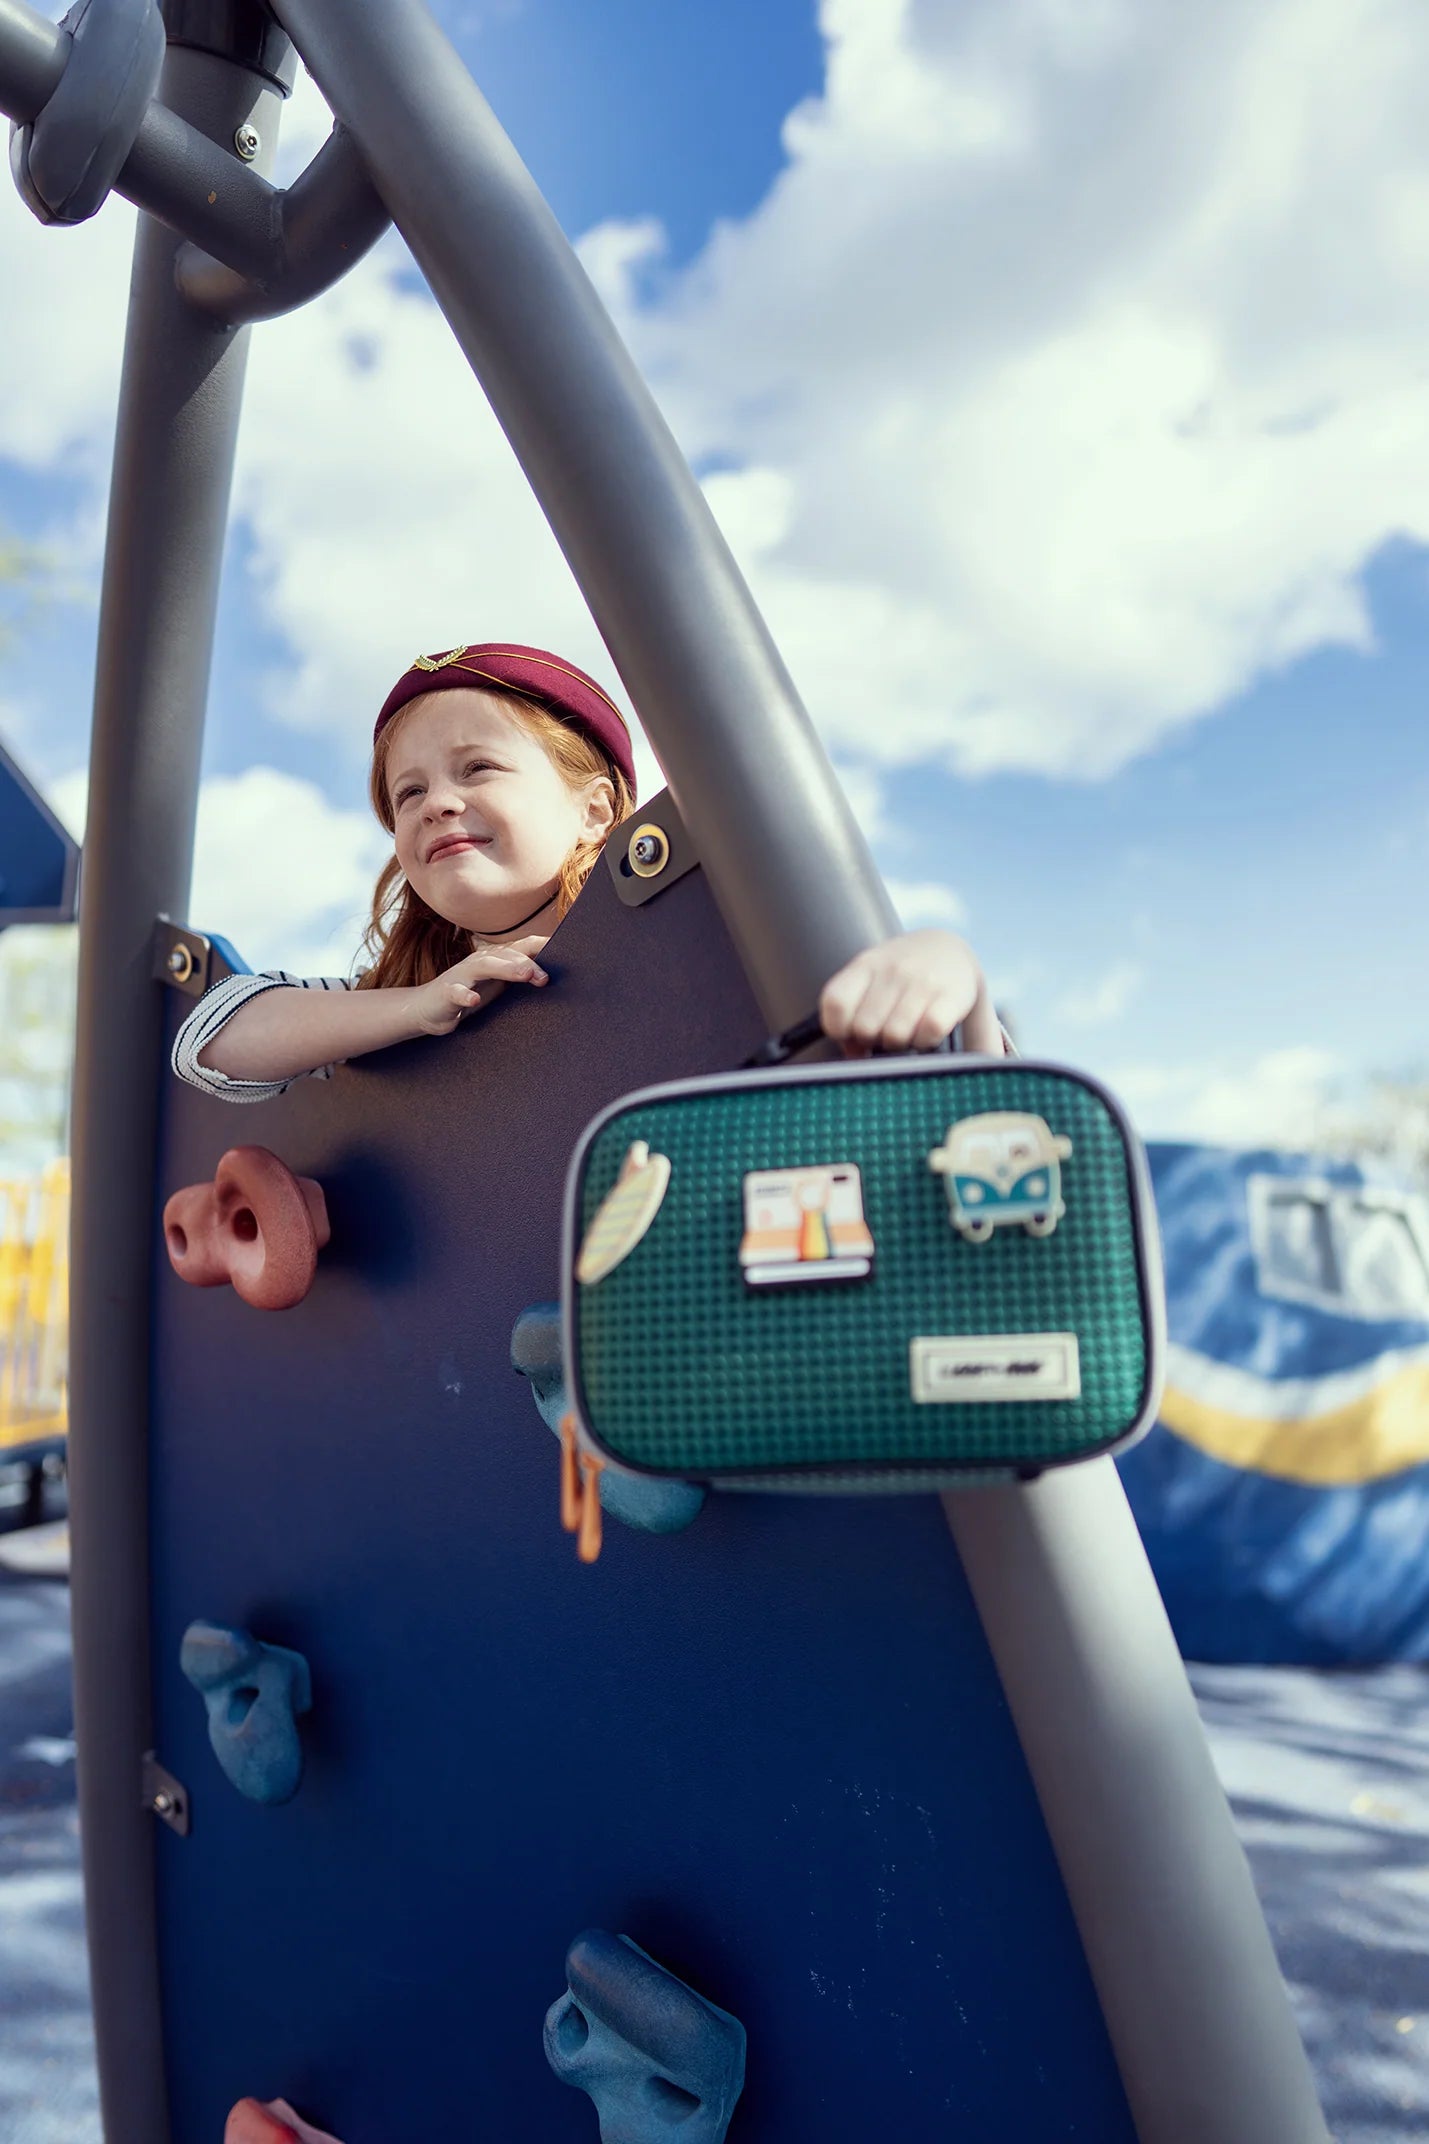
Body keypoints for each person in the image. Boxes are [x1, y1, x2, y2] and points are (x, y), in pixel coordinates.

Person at [173, 641, 1010, 1101]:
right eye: (409, 792)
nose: (435, 803)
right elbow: (212, 1041)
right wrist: (416, 1006)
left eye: (478, 769)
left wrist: (944, 962)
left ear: (597, 812)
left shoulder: (703, 940)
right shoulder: (396, 997)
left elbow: (963, 1085)